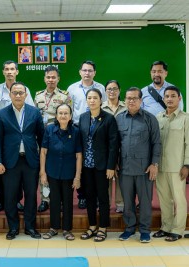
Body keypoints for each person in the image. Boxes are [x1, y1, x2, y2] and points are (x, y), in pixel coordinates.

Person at [0, 82, 44, 240]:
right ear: (10, 95)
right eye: (15, 92)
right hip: (10, 162)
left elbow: (42, 138)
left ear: (26, 94)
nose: (18, 95)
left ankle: (30, 227)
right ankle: (13, 228)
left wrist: (43, 162)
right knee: (10, 196)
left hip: (30, 161)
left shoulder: (35, 112)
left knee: (31, 195)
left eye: (21, 92)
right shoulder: (2, 114)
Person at [0, 60, 34, 213]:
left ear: (17, 71)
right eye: (6, 69)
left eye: (12, 69)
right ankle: (1, 200)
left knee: (18, 171)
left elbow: (30, 111)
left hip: (19, 136)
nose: (9, 72)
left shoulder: (24, 89)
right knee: (3, 171)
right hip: (3, 134)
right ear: (3, 72)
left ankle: (17, 200)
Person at [116, 87, 161, 243]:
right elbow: (115, 144)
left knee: (145, 202)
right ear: (125, 100)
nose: (131, 101)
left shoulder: (150, 119)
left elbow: (156, 143)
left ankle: (144, 230)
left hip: (144, 169)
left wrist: (154, 164)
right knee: (127, 202)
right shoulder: (119, 118)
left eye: (135, 98)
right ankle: (129, 229)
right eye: (128, 98)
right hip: (125, 168)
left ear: (141, 101)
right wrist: (114, 163)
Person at [79, 89, 119, 242]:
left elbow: (113, 145)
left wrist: (111, 166)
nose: (92, 100)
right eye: (89, 98)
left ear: (101, 100)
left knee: (103, 197)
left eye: (95, 98)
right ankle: (92, 226)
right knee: (89, 196)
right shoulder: (83, 118)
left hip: (102, 166)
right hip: (86, 166)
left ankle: (103, 227)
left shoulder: (108, 119)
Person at [67, 60, 106, 209]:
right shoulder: (72, 89)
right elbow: (69, 110)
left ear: (94, 73)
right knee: (81, 162)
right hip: (78, 128)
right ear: (80, 72)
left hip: (98, 127)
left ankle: (96, 196)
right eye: (84, 70)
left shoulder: (101, 88)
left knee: (96, 161)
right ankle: (82, 196)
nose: (87, 73)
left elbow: (106, 108)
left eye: (90, 70)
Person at [40, 104, 82, 240]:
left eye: (66, 113)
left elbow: (79, 155)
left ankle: (67, 229)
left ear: (70, 116)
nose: (63, 116)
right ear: (56, 115)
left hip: (69, 173)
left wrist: (77, 177)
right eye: (60, 113)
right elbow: (43, 152)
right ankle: (53, 228)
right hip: (52, 171)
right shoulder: (49, 129)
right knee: (54, 200)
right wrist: (42, 172)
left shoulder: (76, 131)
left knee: (68, 201)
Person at [153, 86, 189, 242]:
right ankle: (166, 227)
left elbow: (188, 144)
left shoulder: (186, 118)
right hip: (160, 166)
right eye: (166, 96)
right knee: (164, 199)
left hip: (177, 167)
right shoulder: (158, 117)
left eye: (173, 96)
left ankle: (178, 229)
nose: (169, 99)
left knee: (179, 199)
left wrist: (187, 165)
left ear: (179, 98)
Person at [34, 66, 72, 212]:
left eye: (53, 77)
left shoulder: (64, 96)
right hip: (42, 137)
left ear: (58, 79)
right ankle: (45, 199)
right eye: (48, 77)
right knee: (43, 168)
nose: (51, 80)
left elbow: (68, 116)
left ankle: (61, 199)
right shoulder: (38, 96)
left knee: (59, 167)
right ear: (44, 79)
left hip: (58, 137)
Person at [101, 80, 126, 213]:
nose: (112, 91)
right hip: (106, 148)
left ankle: (121, 203)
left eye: (115, 89)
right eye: (109, 89)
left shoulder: (126, 106)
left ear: (119, 91)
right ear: (105, 92)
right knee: (107, 176)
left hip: (123, 146)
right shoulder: (100, 107)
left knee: (121, 175)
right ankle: (106, 203)